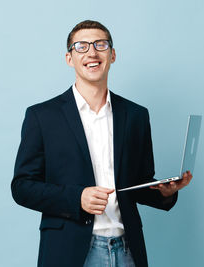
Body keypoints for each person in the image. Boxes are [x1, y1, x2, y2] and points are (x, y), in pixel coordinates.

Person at [11, 20, 192, 267]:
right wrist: (77, 198)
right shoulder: (42, 116)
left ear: (112, 54)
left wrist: (165, 193)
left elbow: (138, 182)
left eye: (100, 44)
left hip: (127, 248)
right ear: (69, 58)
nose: (92, 52)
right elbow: (22, 187)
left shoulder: (136, 115)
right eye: (81, 46)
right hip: (70, 251)